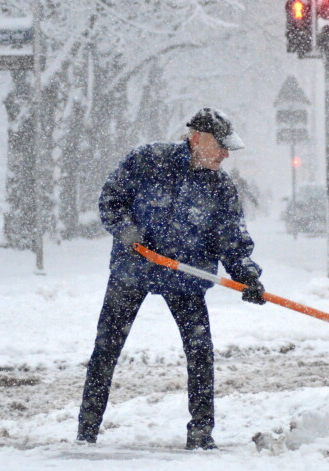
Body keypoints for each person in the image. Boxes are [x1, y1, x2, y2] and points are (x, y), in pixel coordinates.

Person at [77, 108, 266, 450]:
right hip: (133, 271)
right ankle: (86, 431)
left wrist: (247, 275)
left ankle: (200, 434)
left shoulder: (220, 186)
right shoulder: (148, 160)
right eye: (221, 147)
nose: (225, 155)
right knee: (105, 350)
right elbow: (110, 200)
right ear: (197, 138)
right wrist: (128, 233)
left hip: (185, 279)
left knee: (200, 352)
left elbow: (231, 237)